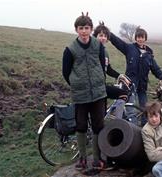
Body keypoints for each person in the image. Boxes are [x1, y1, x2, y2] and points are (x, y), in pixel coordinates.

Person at [62, 12, 108, 171]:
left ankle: (97, 158)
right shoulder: (70, 49)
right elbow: (65, 72)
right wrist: (77, 84)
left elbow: (103, 66)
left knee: (98, 125)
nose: (83, 31)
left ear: (91, 29)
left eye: (86, 28)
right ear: (76, 29)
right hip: (80, 95)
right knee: (80, 125)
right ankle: (82, 158)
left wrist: (98, 81)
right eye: (80, 28)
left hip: (98, 94)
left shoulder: (98, 45)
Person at [109, 26, 162, 126]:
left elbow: (156, 70)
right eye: (138, 37)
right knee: (131, 110)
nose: (140, 39)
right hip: (130, 84)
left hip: (142, 86)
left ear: (145, 39)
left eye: (142, 37)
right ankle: (132, 130)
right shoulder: (129, 48)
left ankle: (145, 129)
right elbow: (117, 42)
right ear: (135, 38)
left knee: (144, 109)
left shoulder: (149, 55)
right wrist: (109, 34)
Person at [93, 22, 131, 119]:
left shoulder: (105, 51)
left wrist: (119, 76)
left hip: (102, 86)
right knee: (122, 93)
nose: (103, 38)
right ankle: (117, 120)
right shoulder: (92, 50)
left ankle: (116, 117)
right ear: (95, 36)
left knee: (102, 116)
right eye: (100, 35)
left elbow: (108, 69)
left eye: (105, 36)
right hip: (94, 87)